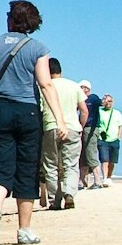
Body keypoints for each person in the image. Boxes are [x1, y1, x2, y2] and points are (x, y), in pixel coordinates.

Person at [0, 0, 68, 245]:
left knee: (0, 165)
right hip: (28, 111)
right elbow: (45, 83)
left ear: (10, 19)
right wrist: (60, 119)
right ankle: (24, 230)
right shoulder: (38, 48)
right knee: (26, 168)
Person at [39, 56, 88, 210]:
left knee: (51, 165)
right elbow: (84, 111)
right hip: (72, 127)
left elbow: (39, 110)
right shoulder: (73, 86)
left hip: (50, 127)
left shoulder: (43, 87)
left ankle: (54, 200)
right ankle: (69, 193)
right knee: (71, 165)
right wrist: (80, 126)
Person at [79, 80, 104, 190]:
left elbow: (101, 103)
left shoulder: (93, 98)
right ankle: (82, 181)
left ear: (86, 88)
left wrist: (106, 100)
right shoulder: (80, 99)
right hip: (81, 128)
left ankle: (98, 180)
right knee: (82, 154)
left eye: (81, 87)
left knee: (90, 153)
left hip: (90, 128)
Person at [98, 94, 122, 183]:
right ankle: (105, 178)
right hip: (102, 139)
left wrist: (119, 138)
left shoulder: (117, 113)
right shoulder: (99, 111)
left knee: (112, 161)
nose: (108, 103)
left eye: (110, 101)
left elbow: (121, 126)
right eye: (107, 101)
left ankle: (109, 177)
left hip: (114, 140)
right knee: (104, 160)